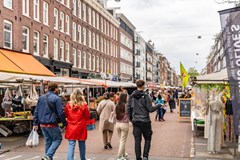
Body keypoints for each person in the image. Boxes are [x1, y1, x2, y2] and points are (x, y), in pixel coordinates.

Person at [127, 80, 161, 160]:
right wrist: (159, 105)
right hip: (145, 121)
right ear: (143, 86)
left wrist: (131, 119)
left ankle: (138, 158)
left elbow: (128, 108)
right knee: (148, 139)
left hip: (136, 121)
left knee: (137, 141)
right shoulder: (146, 96)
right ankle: (145, 156)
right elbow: (150, 109)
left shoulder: (131, 96)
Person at [33, 82, 67, 160]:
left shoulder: (41, 97)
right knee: (57, 139)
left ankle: (47, 157)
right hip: (52, 123)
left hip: (42, 124)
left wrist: (35, 123)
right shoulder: (56, 98)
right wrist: (64, 123)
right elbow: (60, 112)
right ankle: (48, 155)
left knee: (48, 141)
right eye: (57, 88)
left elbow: (36, 111)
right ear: (55, 89)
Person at [65, 88, 90, 160]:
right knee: (82, 144)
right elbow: (87, 117)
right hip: (81, 127)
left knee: (71, 144)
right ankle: (83, 158)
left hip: (71, 126)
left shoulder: (68, 105)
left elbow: (66, 114)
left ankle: (70, 159)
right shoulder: (84, 105)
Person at [115, 93, 129, 160]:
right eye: (127, 96)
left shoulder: (117, 105)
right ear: (125, 98)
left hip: (117, 124)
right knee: (122, 141)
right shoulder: (126, 105)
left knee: (121, 140)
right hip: (124, 124)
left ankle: (123, 155)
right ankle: (120, 156)